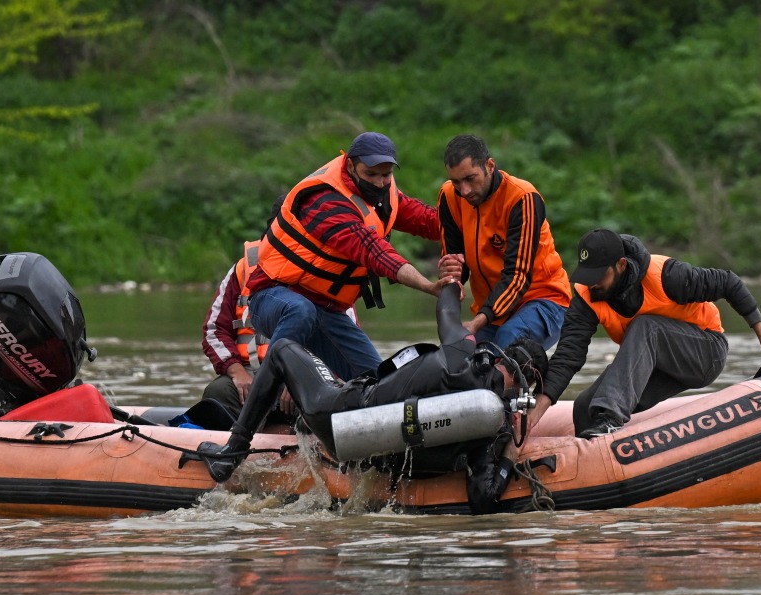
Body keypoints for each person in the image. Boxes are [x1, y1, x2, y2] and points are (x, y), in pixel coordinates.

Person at [195, 282, 550, 514]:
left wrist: (450, 282)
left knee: (283, 349)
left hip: (341, 420)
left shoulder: (461, 352)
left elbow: (446, 312)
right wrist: (509, 458)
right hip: (386, 460)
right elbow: (483, 497)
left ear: (501, 356)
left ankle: (232, 455)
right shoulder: (493, 424)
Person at [532, 228, 761, 438]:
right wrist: (535, 413)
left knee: (646, 326)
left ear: (621, 265)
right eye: (587, 275)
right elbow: (567, 357)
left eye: (599, 276)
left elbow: (729, 282)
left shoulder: (667, 276)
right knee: (585, 407)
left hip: (704, 352)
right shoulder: (587, 295)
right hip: (655, 365)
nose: (592, 283)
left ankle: (610, 421)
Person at [245, 131, 446, 381]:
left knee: (380, 382)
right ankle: (256, 407)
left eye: (386, 174)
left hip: (327, 310)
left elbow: (427, 220)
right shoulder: (325, 202)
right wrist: (428, 286)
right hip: (274, 298)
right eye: (371, 174)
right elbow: (374, 251)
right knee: (301, 310)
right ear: (350, 166)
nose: (380, 182)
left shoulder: (384, 192)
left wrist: (476, 223)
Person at [437, 134, 571, 350]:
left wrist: (477, 323)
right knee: (463, 360)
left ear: (490, 166)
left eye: (470, 178)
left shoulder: (523, 198)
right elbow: (455, 265)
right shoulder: (449, 196)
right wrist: (450, 273)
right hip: (491, 311)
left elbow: (517, 276)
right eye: (456, 182)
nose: (465, 191)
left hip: (543, 300)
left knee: (507, 343)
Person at [201, 239, 356, 420]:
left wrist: (304, 378)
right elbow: (214, 330)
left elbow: (344, 347)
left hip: (308, 381)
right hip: (250, 379)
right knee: (218, 391)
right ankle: (237, 437)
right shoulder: (243, 269)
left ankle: (299, 437)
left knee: (329, 400)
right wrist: (237, 372)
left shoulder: (329, 271)